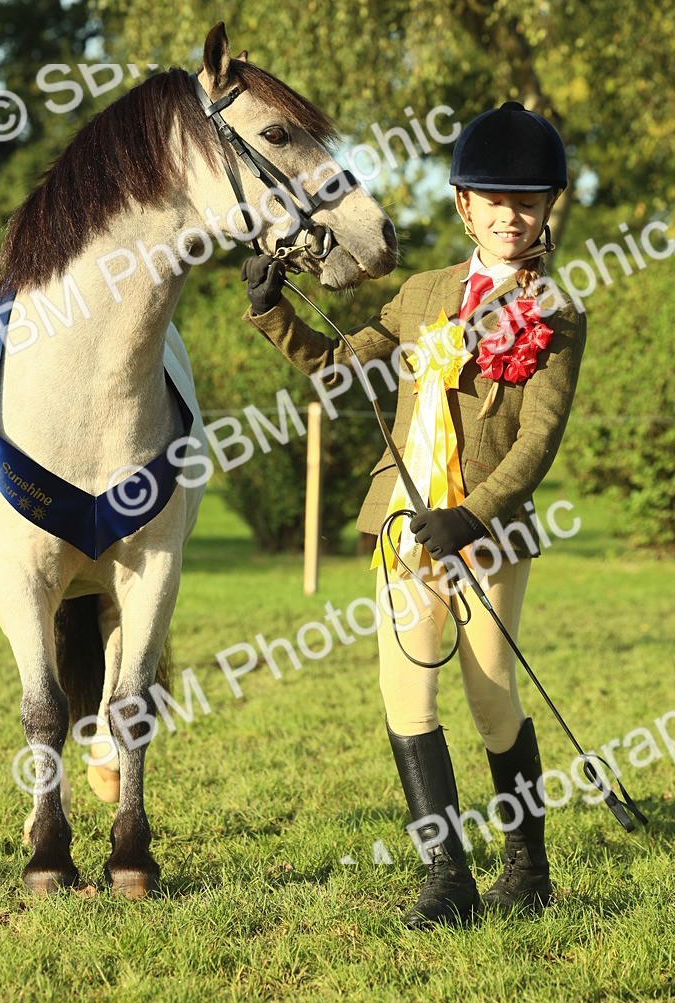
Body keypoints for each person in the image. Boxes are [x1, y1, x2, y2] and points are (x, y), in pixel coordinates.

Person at [240, 101, 587, 928]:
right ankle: (447, 878)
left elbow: (538, 441)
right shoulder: (423, 295)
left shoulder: (559, 311)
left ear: (546, 212)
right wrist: (272, 311)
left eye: (528, 203)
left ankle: (528, 866)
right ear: (466, 206)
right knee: (406, 692)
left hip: (486, 533)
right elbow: (338, 369)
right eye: (494, 202)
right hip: (404, 523)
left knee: (491, 695)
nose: (511, 216)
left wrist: (471, 517)